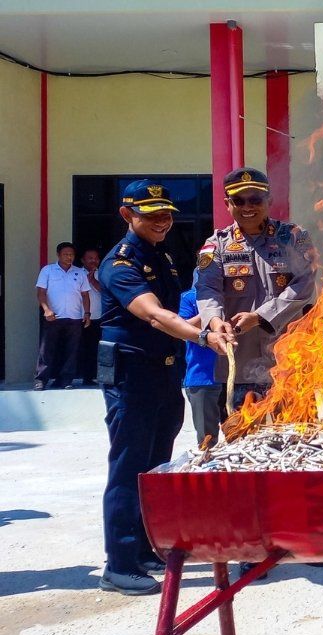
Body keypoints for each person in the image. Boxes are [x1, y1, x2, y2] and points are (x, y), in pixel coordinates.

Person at [95, 181, 234, 595]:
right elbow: (155, 316)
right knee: (128, 465)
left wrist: (214, 323)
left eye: (167, 213)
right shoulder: (119, 264)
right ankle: (117, 564)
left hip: (162, 373)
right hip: (131, 376)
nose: (162, 221)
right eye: (151, 214)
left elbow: (178, 318)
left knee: (154, 466)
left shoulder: (164, 258)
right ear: (127, 215)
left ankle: (142, 548)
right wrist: (202, 338)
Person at [196, 167, 318, 412]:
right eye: (238, 200)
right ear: (227, 204)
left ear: (269, 200)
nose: (247, 207)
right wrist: (214, 321)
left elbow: (305, 284)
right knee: (241, 438)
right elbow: (208, 289)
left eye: (255, 199)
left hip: (288, 361)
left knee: (294, 439)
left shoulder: (293, 238)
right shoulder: (216, 245)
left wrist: (261, 317)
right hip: (240, 364)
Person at [35, 242, 90, 390]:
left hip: (74, 317)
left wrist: (87, 313)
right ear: (58, 255)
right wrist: (46, 310)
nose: (69, 257)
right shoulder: (48, 270)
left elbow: (85, 295)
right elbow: (41, 292)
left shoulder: (80, 273)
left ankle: (66, 380)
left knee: (71, 350)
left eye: (71, 254)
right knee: (47, 349)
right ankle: (41, 380)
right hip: (53, 316)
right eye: (65, 254)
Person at [179, 286, 226, 446]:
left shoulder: (236, 293)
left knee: (241, 435)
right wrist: (210, 312)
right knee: (207, 442)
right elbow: (180, 328)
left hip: (236, 378)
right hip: (202, 378)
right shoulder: (189, 297)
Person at [79, 247, 103, 386]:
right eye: (90, 258)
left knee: (96, 348)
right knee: (82, 348)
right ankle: (82, 376)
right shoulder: (76, 273)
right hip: (80, 316)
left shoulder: (103, 273)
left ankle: (94, 376)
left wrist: (93, 280)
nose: (94, 261)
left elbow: (106, 292)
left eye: (96, 258)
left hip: (99, 316)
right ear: (83, 260)